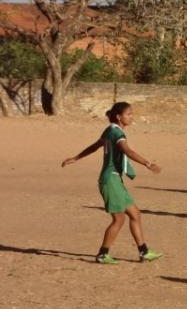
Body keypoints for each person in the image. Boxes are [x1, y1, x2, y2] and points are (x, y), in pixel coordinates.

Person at [62, 102, 162, 264]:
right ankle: (102, 254)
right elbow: (127, 151)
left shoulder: (110, 130)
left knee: (135, 214)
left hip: (116, 180)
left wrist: (75, 158)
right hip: (110, 180)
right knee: (119, 219)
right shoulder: (116, 133)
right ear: (119, 116)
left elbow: (95, 146)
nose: (131, 117)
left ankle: (144, 251)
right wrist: (148, 164)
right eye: (129, 114)